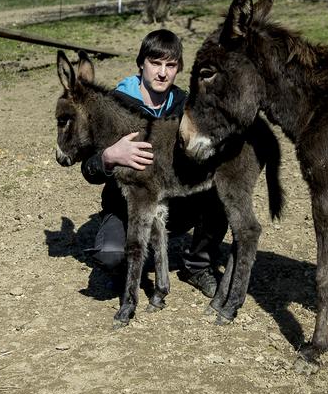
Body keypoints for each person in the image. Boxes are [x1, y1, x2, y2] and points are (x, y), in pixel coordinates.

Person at [80, 29, 227, 298]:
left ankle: (196, 265)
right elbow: (87, 168)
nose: (162, 73)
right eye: (155, 63)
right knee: (110, 255)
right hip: (127, 206)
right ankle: (125, 267)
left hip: (172, 203)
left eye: (170, 65)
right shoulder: (115, 104)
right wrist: (108, 157)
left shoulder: (185, 104)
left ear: (178, 68)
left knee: (221, 190)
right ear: (141, 64)